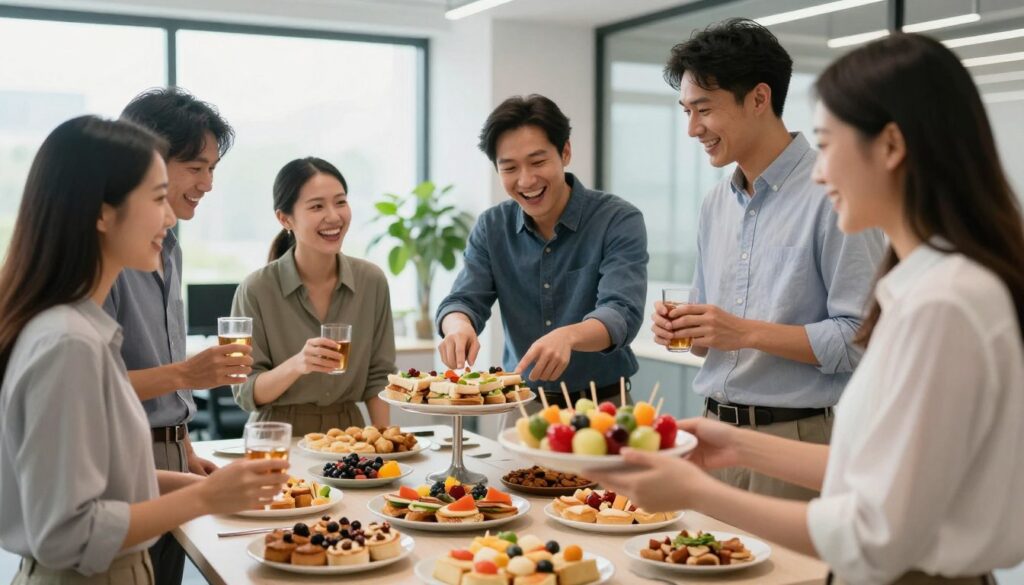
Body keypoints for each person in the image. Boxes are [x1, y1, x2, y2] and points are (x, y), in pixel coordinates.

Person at [589, 33, 1024, 585]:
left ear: (890, 147)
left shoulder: (944, 304)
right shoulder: (926, 288)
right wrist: (734, 443)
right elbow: (872, 467)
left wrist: (695, 491)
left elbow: (875, 533)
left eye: (828, 143)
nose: (819, 171)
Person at [0, 116, 288, 583]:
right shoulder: (68, 344)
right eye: (157, 198)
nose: (169, 218)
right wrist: (205, 498)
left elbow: (110, 482)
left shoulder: (80, 331)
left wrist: (204, 484)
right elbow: (67, 532)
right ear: (102, 214)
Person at [650, 19, 885, 499]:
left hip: (795, 443)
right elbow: (707, 343)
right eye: (686, 112)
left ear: (759, 98)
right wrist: (685, 330)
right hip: (712, 436)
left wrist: (743, 331)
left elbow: (862, 339)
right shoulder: (715, 204)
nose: (692, 129)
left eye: (704, 110)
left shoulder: (833, 193)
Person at [103, 87, 248, 584]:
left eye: (213, 168)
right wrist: (186, 374)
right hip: (119, 453)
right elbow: (93, 387)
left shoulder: (169, 248)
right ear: (146, 162)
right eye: (195, 167)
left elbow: (158, 355)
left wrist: (183, 447)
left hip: (168, 453)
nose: (207, 183)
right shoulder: (104, 257)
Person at [436, 94, 648, 405]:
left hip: (603, 405)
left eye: (537, 162)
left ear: (565, 152)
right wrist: (457, 326)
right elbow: (463, 300)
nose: (526, 180)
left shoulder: (617, 220)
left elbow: (621, 312)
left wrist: (569, 336)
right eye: (509, 168)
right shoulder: (492, 227)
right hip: (521, 404)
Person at [230, 157, 395, 435]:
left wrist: (385, 440)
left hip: (348, 436)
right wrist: (298, 364)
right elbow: (245, 392)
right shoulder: (256, 289)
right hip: (275, 437)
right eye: (317, 206)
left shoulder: (372, 281)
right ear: (285, 218)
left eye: (340, 202)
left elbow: (379, 377)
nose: (334, 216)